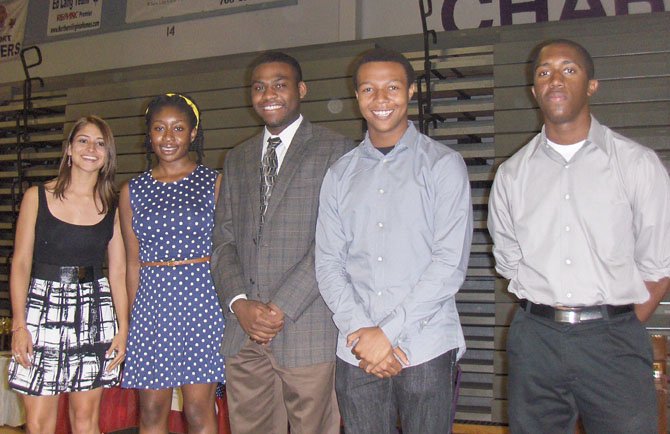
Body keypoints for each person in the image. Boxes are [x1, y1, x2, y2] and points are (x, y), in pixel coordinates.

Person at [488, 39, 670, 433]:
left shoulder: (637, 165)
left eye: (569, 69)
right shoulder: (512, 175)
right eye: (543, 72)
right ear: (534, 89)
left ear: (591, 85)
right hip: (536, 341)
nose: (555, 79)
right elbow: (509, 261)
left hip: (613, 342)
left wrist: (613, 325)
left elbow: (658, 265)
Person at [315, 47, 473, 434]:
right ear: (357, 97)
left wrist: (387, 334)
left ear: (412, 91)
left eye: (392, 88)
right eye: (369, 89)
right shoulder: (339, 175)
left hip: (425, 347)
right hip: (357, 353)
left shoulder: (442, 166)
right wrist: (364, 336)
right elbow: (328, 263)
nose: (380, 99)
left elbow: (449, 263)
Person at [210, 51, 354, 434]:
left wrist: (277, 309)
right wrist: (240, 305)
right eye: (259, 87)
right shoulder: (236, 158)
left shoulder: (336, 151)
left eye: (279, 84)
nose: (268, 93)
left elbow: (334, 242)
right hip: (244, 336)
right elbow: (223, 242)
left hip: (308, 331)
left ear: (301, 89)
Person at [8, 115, 128, 433]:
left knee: (86, 421)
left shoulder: (112, 206)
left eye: (100, 143)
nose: (92, 148)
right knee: (38, 423)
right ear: (69, 149)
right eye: (84, 140)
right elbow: (20, 262)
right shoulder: (37, 197)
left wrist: (123, 327)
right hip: (41, 307)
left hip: (94, 309)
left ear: (108, 155)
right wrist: (19, 324)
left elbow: (117, 271)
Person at [120, 93, 226, 433]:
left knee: (198, 409)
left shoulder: (214, 182)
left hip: (202, 302)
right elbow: (131, 261)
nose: (168, 138)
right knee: (151, 410)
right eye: (159, 128)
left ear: (193, 134)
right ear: (148, 135)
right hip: (152, 305)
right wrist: (134, 318)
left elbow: (227, 250)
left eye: (178, 128)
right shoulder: (132, 190)